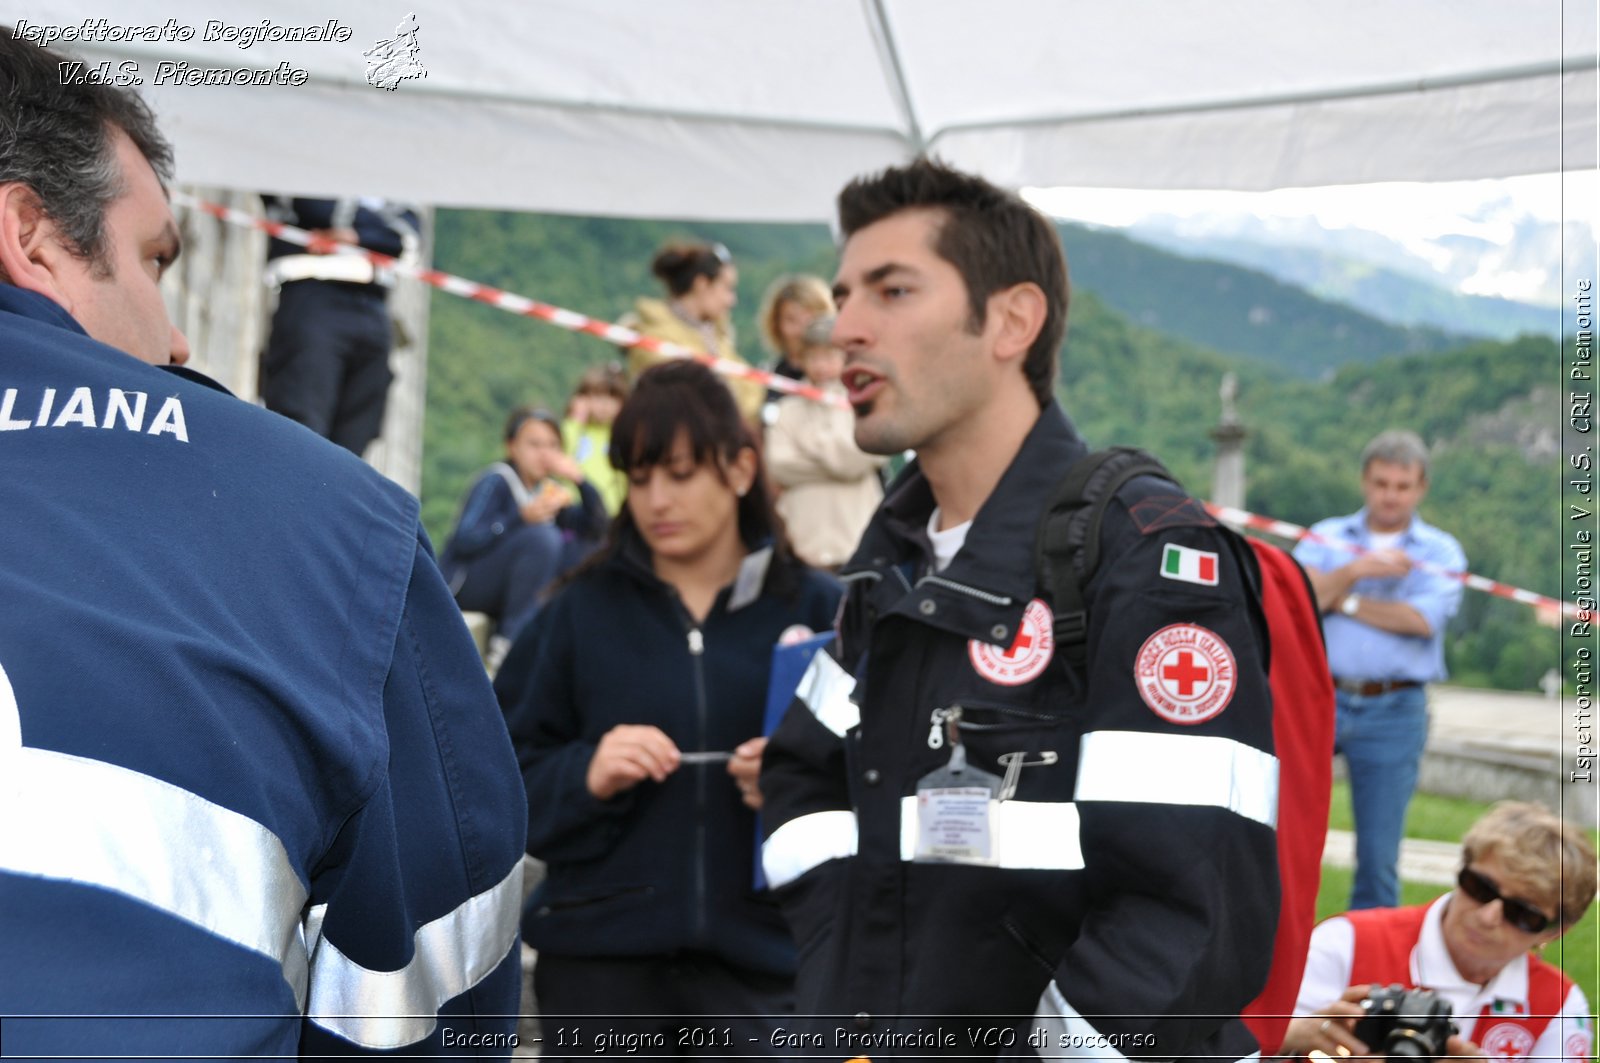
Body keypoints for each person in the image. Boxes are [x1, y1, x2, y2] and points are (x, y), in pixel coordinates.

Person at [0, 34, 525, 1058]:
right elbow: (430, 990)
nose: (181, 338)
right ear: (30, 234)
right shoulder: (334, 524)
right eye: (156, 260)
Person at [759, 158, 1279, 1059]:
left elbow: (1187, 914)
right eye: (845, 295)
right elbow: (802, 781)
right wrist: (839, 991)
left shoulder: (1147, 562)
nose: (844, 327)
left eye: (891, 290)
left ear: (1011, 320)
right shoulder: (893, 559)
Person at [503, 360, 840, 1058]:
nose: (658, 498)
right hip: (600, 978)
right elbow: (493, 783)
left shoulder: (821, 610)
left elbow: (880, 782)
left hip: (770, 975)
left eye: (681, 474)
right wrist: (586, 772)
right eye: (641, 474)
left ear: (741, 469)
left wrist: (795, 782)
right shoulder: (573, 614)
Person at [1293, 429, 1466, 910]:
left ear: (1421, 487)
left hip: (1395, 707)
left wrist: (1340, 598)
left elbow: (1418, 621)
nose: (1390, 495)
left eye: (1402, 486)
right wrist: (1353, 571)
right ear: (1365, 482)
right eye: (1381, 483)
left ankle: (1369, 969)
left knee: (1378, 855)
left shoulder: (1440, 553)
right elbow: (1296, 603)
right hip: (1317, 697)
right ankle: (1276, 952)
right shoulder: (1326, 537)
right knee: (1285, 833)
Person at [1283, 801, 1595, 1062]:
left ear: (1554, 933)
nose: (1488, 916)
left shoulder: (1558, 1005)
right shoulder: (1347, 942)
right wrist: (1294, 1039)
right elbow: (1244, 1045)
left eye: (1522, 913)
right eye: (1480, 888)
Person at [260, 193, 421, 455]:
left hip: (375, 302)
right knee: (301, 428)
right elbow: (314, 205)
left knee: (355, 440)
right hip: (312, 292)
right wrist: (375, 230)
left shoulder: (391, 172)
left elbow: (409, 238)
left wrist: (355, 235)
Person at [439, 405, 607, 645]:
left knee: (583, 548)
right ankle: (509, 641)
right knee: (543, 538)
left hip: (510, 592)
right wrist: (520, 518)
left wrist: (579, 480)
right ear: (512, 446)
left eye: (552, 445)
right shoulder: (497, 480)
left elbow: (597, 529)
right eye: (534, 445)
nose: (544, 453)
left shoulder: (547, 493)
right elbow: (464, 539)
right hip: (465, 585)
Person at [765, 315, 886, 569]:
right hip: (804, 546)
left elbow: (858, 459)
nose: (821, 365)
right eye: (813, 356)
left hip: (856, 543)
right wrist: (837, 460)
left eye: (829, 356)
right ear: (801, 360)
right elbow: (778, 465)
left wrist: (808, 442)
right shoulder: (787, 408)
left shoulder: (865, 403)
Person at [624, 240, 765, 423]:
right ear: (702, 284)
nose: (732, 300)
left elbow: (752, 392)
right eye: (727, 288)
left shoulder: (716, 336)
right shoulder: (654, 338)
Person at [561, 362, 630, 514]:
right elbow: (558, 456)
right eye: (598, 396)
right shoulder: (574, 430)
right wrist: (575, 420)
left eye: (613, 397)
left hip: (614, 515)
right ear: (583, 398)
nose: (605, 405)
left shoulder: (624, 435)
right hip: (578, 515)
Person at [756, 273, 833, 385]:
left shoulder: (845, 376)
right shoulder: (767, 379)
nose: (801, 330)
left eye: (810, 319)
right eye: (791, 320)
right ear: (776, 325)